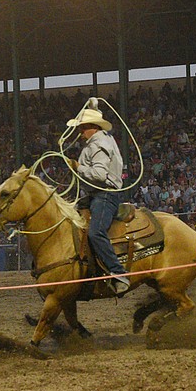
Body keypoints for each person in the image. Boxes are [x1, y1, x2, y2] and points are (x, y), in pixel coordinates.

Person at [67, 101, 130, 294]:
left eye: (81, 128)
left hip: (105, 194)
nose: (79, 131)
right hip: (96, 194)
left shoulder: (99, 144)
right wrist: (93, 107)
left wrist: (79, 168)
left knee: (96, 232)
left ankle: (118, 273)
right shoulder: (101, 140)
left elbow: (100, 175)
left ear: (91, 128)